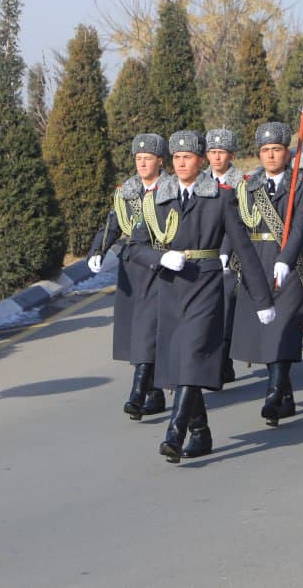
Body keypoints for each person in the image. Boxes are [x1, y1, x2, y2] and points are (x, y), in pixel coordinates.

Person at [125, 130, 272, 463]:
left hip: (205, 285)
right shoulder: (157, 199)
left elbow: (245, 250)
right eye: (176, 158)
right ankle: (201, 432)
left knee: (191, 355)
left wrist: (262, 300)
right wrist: (159, 257)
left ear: (200, 161)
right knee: (178, 364)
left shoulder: (219, 199)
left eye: (187, 157)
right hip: (171, 288)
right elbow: (134, 248)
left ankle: (175, 433)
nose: (180, 163)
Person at [230, 122, 303, 426]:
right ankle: (286, 396)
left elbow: (301, 226)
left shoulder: (302, 187)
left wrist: (287, 258)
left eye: (276, 149)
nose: (270, 155)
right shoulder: (247, 186)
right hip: (256, 263)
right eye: (265, 150)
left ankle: (273, 393)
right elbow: (237, 225)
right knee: (265, 332)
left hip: (288, 267)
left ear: (287, 153)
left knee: (282, 329)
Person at [87, 133, 171, 419]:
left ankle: (139, 392)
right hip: (132, 269)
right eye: (138, 159)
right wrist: (98, 251)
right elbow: (113, 224)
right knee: (137, 332)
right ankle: (153, 392)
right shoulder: (128, 191)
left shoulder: (171, 189)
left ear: (160, 161)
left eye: (148, 159)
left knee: (150, 329)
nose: (143, 164)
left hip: (162, 266)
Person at [205, 128, 244, 383]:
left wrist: (226, 253)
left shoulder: (242, 182)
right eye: (212, 152)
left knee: (228, 308)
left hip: (234, 256)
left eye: (222, 152)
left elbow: (239, 221)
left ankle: (224, 359)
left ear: (231, 154)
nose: (217, 157)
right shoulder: (199, 181)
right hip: (205, 252)